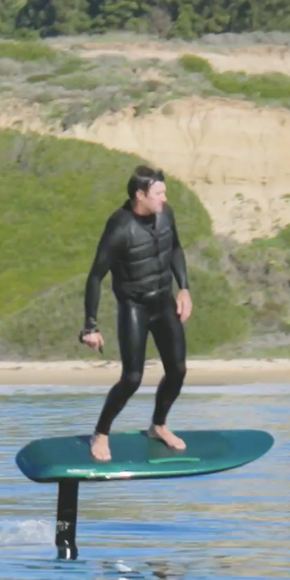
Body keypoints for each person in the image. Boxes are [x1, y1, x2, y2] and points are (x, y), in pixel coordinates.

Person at [80, 166, 191, 462]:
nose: (164, 198)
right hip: (135, 306)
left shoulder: (165, 214)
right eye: (159, 193)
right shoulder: (119, 228)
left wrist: (184, 289)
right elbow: (95, 277)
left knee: (178, 370)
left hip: (164, 302)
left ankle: (158, 425)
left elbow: (176, 249)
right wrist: (90, 325)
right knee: (132, 378)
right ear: (140, 195)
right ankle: (101, 433)